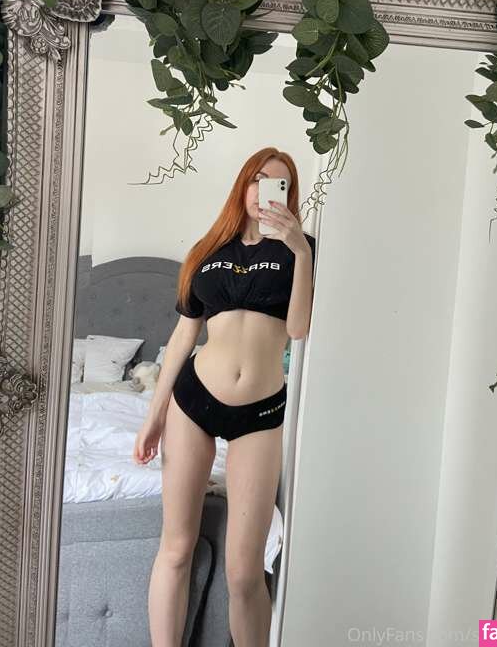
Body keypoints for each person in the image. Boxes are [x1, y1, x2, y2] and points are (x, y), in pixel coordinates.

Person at [132, 147, 316, 647]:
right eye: (257, 179)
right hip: (193, 402)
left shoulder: (303, 250)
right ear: (242, 185)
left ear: (290, 195)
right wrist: (154, 416)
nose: (264, 191)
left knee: (244, 572)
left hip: (261, 412)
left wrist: (300, 252)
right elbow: (183, 337)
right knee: (176, 547)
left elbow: (298, 329)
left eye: (278, 183)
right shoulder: (208, 249)